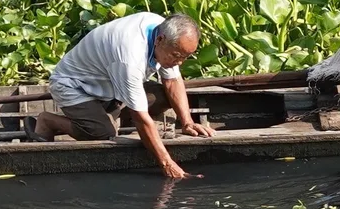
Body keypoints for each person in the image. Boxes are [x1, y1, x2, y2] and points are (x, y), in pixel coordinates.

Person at [24, 12, 216, 179]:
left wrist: (187, 122)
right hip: (75, 86)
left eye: (185, 57)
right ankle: (48, 121)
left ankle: (109, 116)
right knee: (101, 133)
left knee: (166, 97)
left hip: (110, 86)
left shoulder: (162, 27)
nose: (179, 63)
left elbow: (173, 81)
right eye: (176, 56)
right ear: (159, 40)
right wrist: (166, 163)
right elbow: (141, 118)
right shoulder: (130, 57)